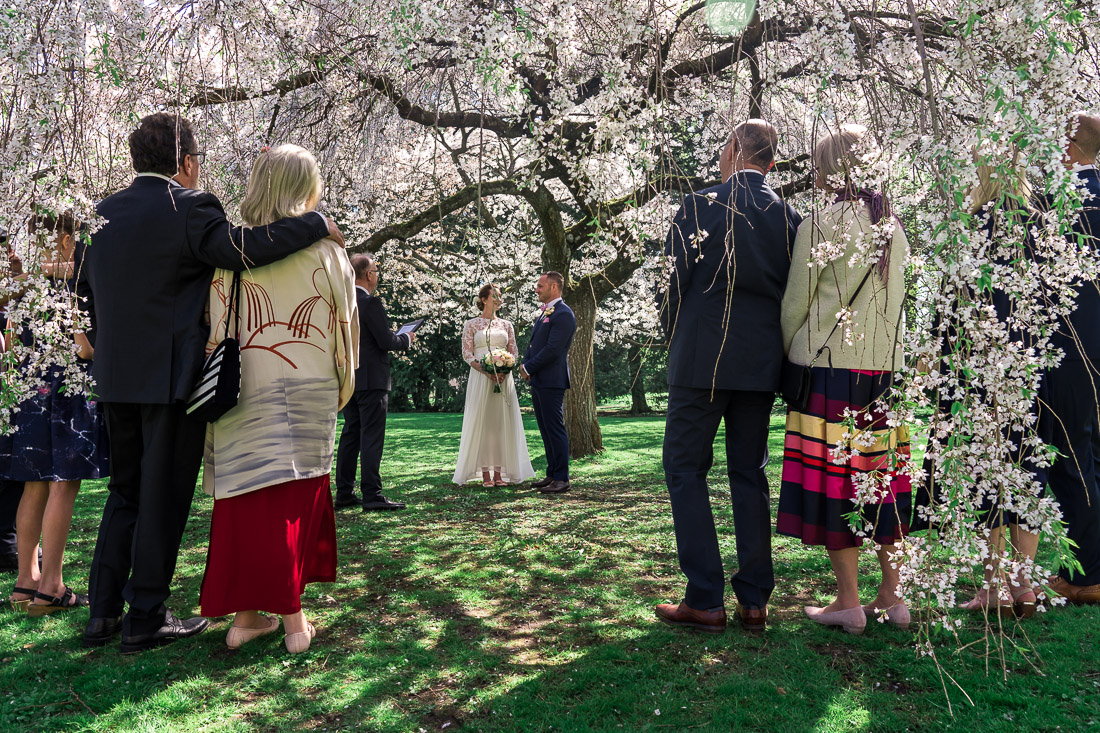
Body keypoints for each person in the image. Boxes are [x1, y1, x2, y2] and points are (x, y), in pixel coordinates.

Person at [80, 113, 345, 653]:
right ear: (186, 163)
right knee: (164, 498)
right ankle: (146, 615)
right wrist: (316, 224)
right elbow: (241, 250)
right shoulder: (190, 207)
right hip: (173, 378)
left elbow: (82, 295)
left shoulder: (100, 214)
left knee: (124, 493)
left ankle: (102, 612)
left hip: (114, 377)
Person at [199, 144, 357, 653]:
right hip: (309, 387)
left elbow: (217, 326)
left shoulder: (232, 258)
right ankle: (293, 624)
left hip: (246, 387)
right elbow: (344, 326)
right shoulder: (328, 251)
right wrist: (340, 383)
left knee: (246, 497)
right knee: (293, 495)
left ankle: (247, 619)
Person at [654, 119, 801, 635]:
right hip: (759, 365)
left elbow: (673, 287)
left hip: (701, 358)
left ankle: (704, 597)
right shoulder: (790, 218)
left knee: (685, 468)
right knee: (748, 472)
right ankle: (755, 598)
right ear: (773, 163)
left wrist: (675, 336)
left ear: (734, 150)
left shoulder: (699, 205)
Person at [776, 124, 911, 635]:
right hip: (881, 369)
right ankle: (893, 597)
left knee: (839, 484)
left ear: (829, 167)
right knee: (881, 481)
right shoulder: (891, 225)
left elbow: (796, 303)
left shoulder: (822, 221)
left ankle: (849, 602)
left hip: (829, 365)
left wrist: (789, 353)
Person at [914, 157, 1043, 618]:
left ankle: (994, 586)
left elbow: (950, 304)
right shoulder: (1041, 224)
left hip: (974, 364)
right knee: (1024, 467)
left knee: (987, 468)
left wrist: (932, 361)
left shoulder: (968, 229)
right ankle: (1024, 582)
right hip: (1026, 364)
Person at [2, 212, 108, 614]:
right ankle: (52, 586)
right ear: (66, 238)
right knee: (63, 484)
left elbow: (11, 347)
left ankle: (25, 581)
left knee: (34, 484)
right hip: (65, 395)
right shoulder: (71, 284)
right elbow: (85, 349)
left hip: (29, 393)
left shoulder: (26, 285)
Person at [1042, 112, 1100, 605]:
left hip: (1071, 346)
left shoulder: (1062, 203)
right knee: (1091, 455)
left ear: (1067, 146)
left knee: (1071, 456)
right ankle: (1082, 567)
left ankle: (1087, 576)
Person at [333, 253, 415, 511]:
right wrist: (407, 339)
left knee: (350, 436)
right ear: (368, 275)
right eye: (376, 271)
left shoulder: (342, 303)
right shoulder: (370, 304)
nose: (377, 276)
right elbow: (386, 341)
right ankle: (372, 494)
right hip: (373, 380)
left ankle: (344, 492)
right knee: (371, 437)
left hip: (349, 379)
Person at [453, 283, 535, 486]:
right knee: (484, 423)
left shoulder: (506, 325)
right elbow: (467, 353)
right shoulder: (471, 324)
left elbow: (513, 351)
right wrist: (485, 370)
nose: (499, 300)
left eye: (500, 296)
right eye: (495, 296)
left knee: (500, 424)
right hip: (481, 377)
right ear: (484, 300)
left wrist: (505, 367)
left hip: (503, 378)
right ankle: (486, 475)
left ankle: (499, 474)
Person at [520, 271, 576, 494]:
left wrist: (529, 367)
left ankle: (562, 478)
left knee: (555, 429)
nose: (536, 289)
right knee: (545, 428)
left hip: (552, 380)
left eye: (540, 286)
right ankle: (552, 473)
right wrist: (525, 364)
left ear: (554, 287)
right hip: (539, 379)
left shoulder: (563, 314)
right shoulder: (546, 313)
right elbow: (535, 344)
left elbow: (553, 349)